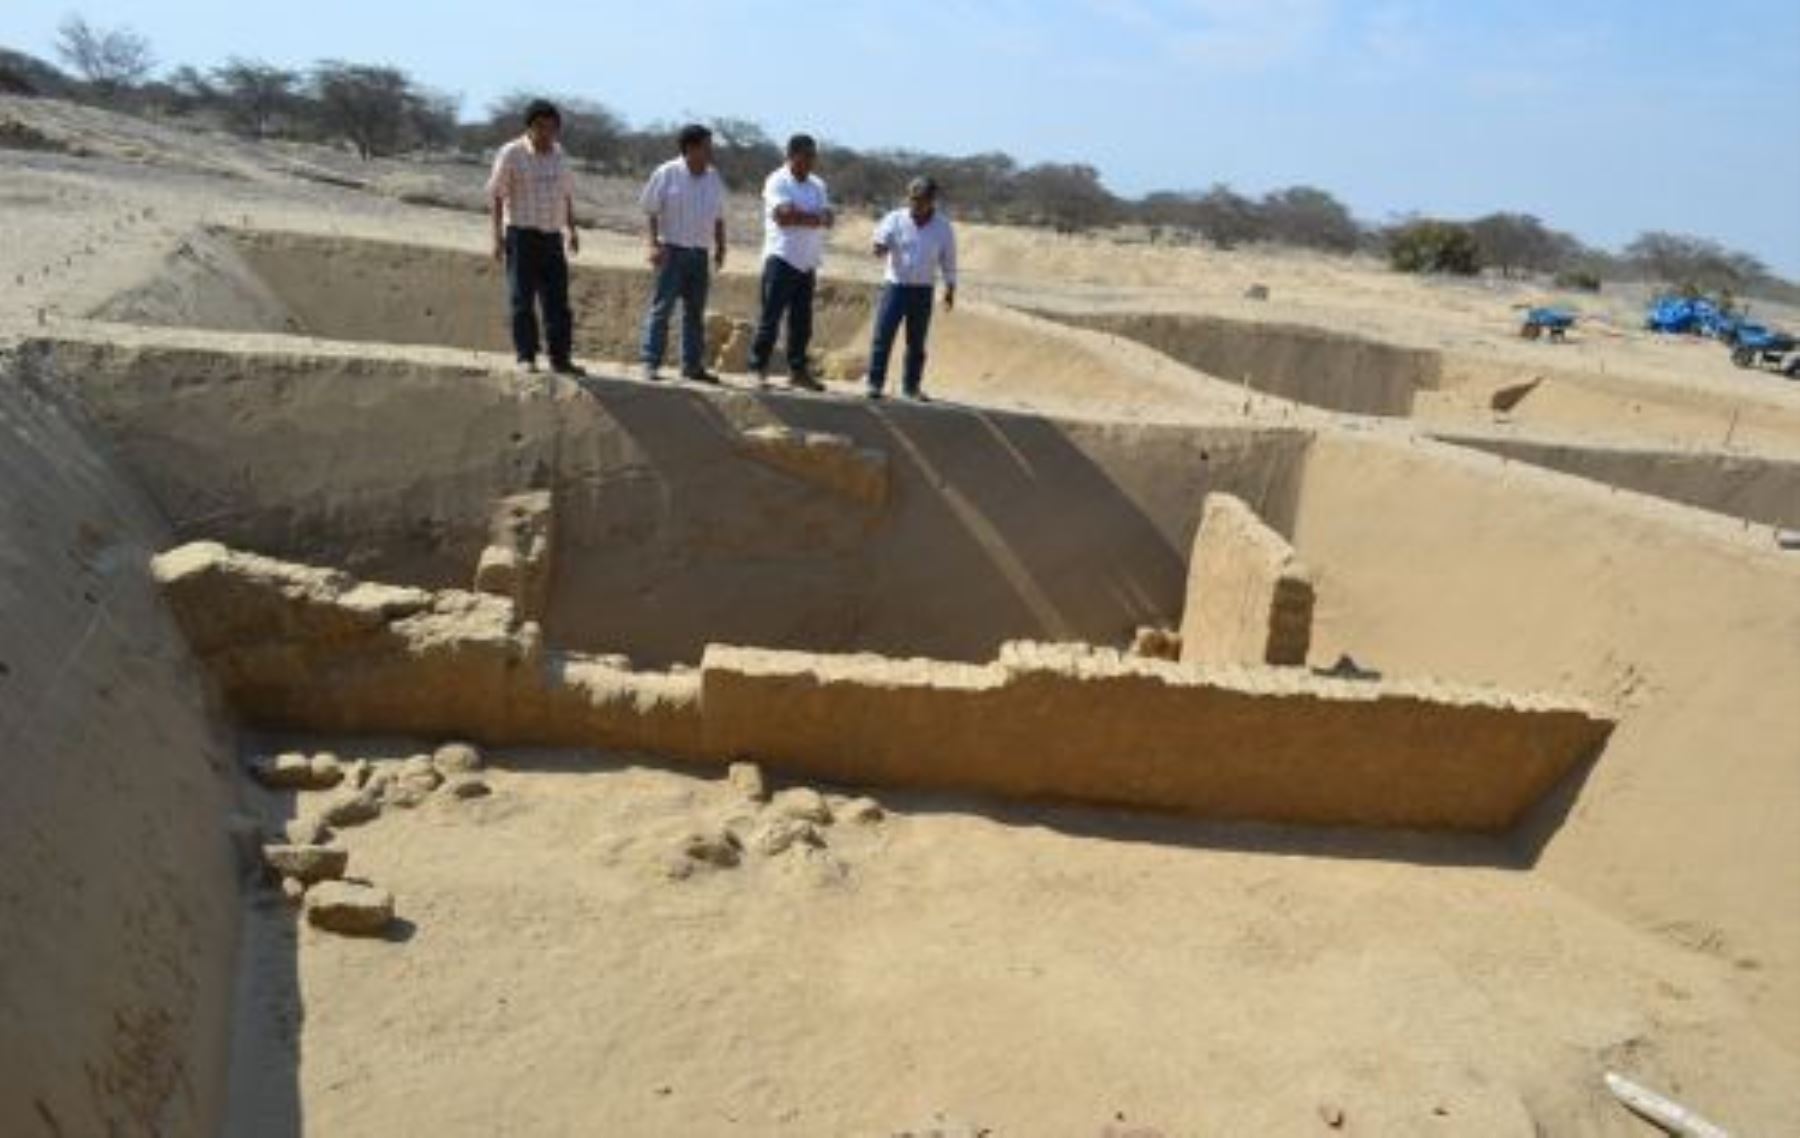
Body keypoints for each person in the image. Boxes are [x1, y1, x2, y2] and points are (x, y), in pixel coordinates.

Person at [485, 99, 582, 376]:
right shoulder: (511, 153)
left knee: (558, 303)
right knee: (522, 299)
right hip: (521, 235)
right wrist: (497, 238)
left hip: (552, 237)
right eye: (540, 126)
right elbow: (496, 195)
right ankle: (526, 356)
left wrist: (572, 230)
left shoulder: (559, 155)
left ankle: (560, 359)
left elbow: (566, 194)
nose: (546, 133)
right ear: (529, 127)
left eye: (552, 127)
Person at [638, 124, 728, 384]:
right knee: (662, 309)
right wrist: (653, 245)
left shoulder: (714, 178)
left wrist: (721, 247)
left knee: (694, 313)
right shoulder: (667, 173)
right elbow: (650, 210)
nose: (711, 151)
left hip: (699, 254)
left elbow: (720, 217)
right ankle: (650, 362)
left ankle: (692, 366)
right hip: (671, 251)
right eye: (706, 146)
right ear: (690, 147)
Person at [749, 134, 832, 391]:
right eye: (806, 155)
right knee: (770, 317)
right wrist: (813, 218)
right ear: (792, 155)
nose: (811, 160)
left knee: (801, 322)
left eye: (813, 155)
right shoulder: (777, 180)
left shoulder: (817, 184)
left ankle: (798, 371)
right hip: (781, 257)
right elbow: (783, 216)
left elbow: (828, 216)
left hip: (807, 261)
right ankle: (757, 367)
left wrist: (805, 217)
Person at [867, 176, 957, 401]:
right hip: (895, 287)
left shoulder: (943, 227)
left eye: (921, 199)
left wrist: (950, 288)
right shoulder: (894, 219)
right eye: (913, 198)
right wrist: (880, 247)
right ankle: (875, 384)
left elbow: (949, 260)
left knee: (916, 342)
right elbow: (879, 242)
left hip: (923, 290)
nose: (915, 204)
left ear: (932, 200)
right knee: (883, 336)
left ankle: (911, 388)